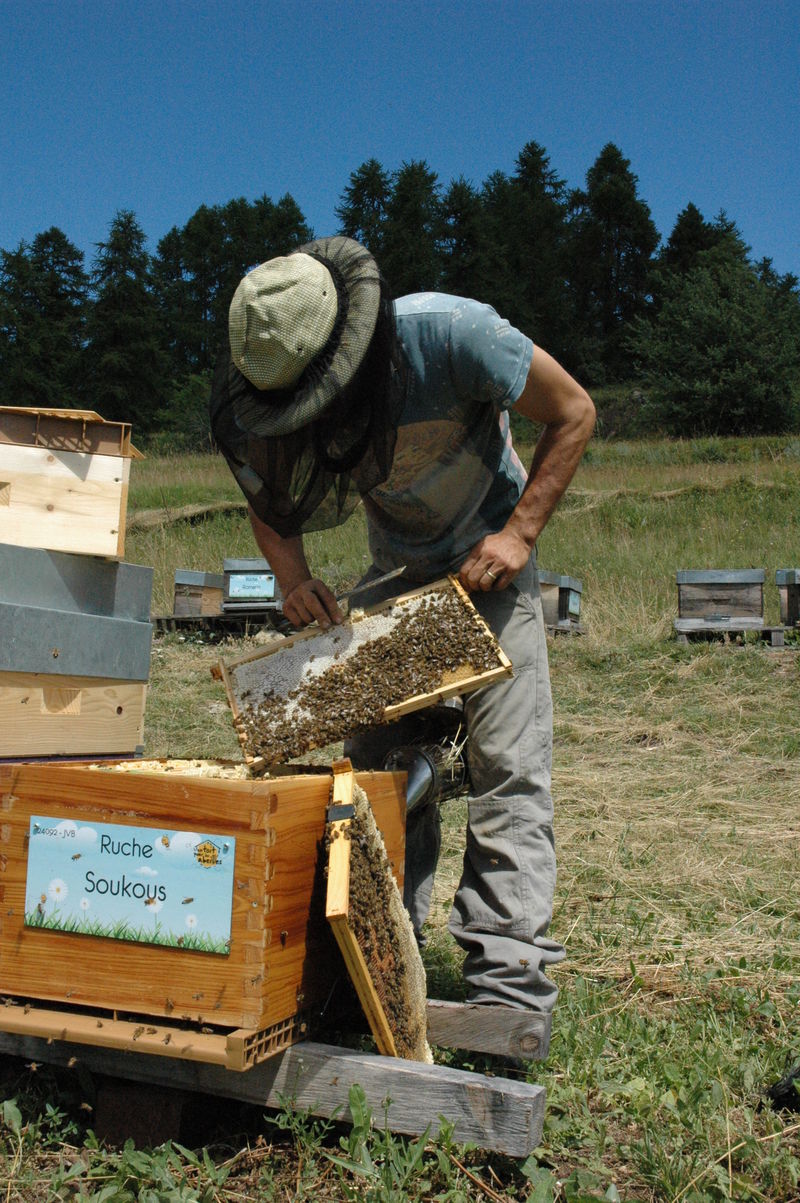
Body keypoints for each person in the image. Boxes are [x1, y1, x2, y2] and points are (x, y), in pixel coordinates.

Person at [211, 236, 595, 1017]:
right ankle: (381, 960)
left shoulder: (455, 334)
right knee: (376, 779)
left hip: (490, 561)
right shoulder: (284, 393)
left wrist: (520, 533)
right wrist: (291, 577)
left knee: (507, 763)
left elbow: (575, 410)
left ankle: (507, 990)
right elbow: (264, 495)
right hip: (396, 576)